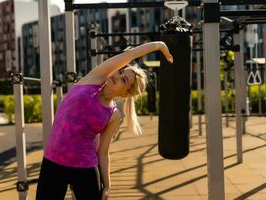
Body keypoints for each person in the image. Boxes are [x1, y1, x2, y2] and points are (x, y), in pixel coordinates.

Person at [36, 41, 173, 200]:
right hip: (53, 162)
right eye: (121, 72)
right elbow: (128, 55)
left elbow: (103, 151)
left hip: (85, 167)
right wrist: (159, 45)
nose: (117, 76)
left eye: (124, 80)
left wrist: (107, 185)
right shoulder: (94, 79)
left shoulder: (113, 115)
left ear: (126, 93)